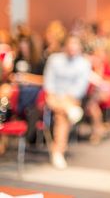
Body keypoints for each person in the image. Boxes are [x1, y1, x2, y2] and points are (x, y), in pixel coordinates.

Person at [43, 35, 91, 169]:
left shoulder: (84, 63)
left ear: (80, 47)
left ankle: (58, 151)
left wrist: (65, 100)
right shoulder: (54, 59)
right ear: (65, 46)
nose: (72, 47)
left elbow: (80, 88)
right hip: (53, 97)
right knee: (66, 112)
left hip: (71, 99)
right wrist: (55, 97)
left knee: (61, 117)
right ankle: (58, 151)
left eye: (75, 44)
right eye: (70, 44)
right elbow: (49, 82)